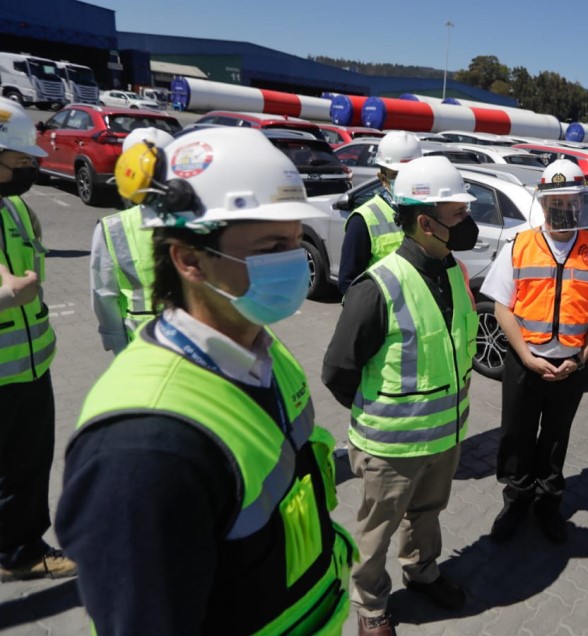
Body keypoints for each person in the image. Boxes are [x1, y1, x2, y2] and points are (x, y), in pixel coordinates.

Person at [56, 127, 356, 633]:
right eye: (269, 245)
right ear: (189, 259)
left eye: (294, 239)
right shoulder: (143, 446)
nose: (294, 259)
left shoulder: (264, 350)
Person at [322, 155, 479, 636]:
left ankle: (423, 570)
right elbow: (338, 371)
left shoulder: (453, 271)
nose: (468, 224)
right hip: (391, 448)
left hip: (445, 439)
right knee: (376, 532)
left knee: (427, 516)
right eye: (458, 215)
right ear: (426, 222)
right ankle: (371, 606)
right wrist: (384, 415)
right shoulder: (378, 287)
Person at [481, 159, 588, 544]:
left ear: (582, 202)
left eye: (571, 201)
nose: (563, 209)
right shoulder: (520, 245)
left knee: (556, 437)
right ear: (543, 203)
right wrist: (527, 356)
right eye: (556, 201)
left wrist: (579, 358)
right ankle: (515, 501)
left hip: (571, 367)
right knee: (516, 435)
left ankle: (548, 504)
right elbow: (501, 308)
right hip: (524, 363)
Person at [0, 101, 77, 583]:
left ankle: (17, 542)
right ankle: (19, 554)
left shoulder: (17, 209)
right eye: (21, 161)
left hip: (30, 365)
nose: (30, 169)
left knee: (26, 465)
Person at [90, 127, 175, 353]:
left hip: (140, 342)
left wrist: (115, 340)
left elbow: (104, 294)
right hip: (164, 342)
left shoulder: (112, 227)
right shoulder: (198, 220)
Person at [337, 130, 423, 294]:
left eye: (410, 173)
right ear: (382, 179)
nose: (405, 180)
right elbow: (348, 283)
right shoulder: (363, 220)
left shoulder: (431, 210)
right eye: (396, 175)